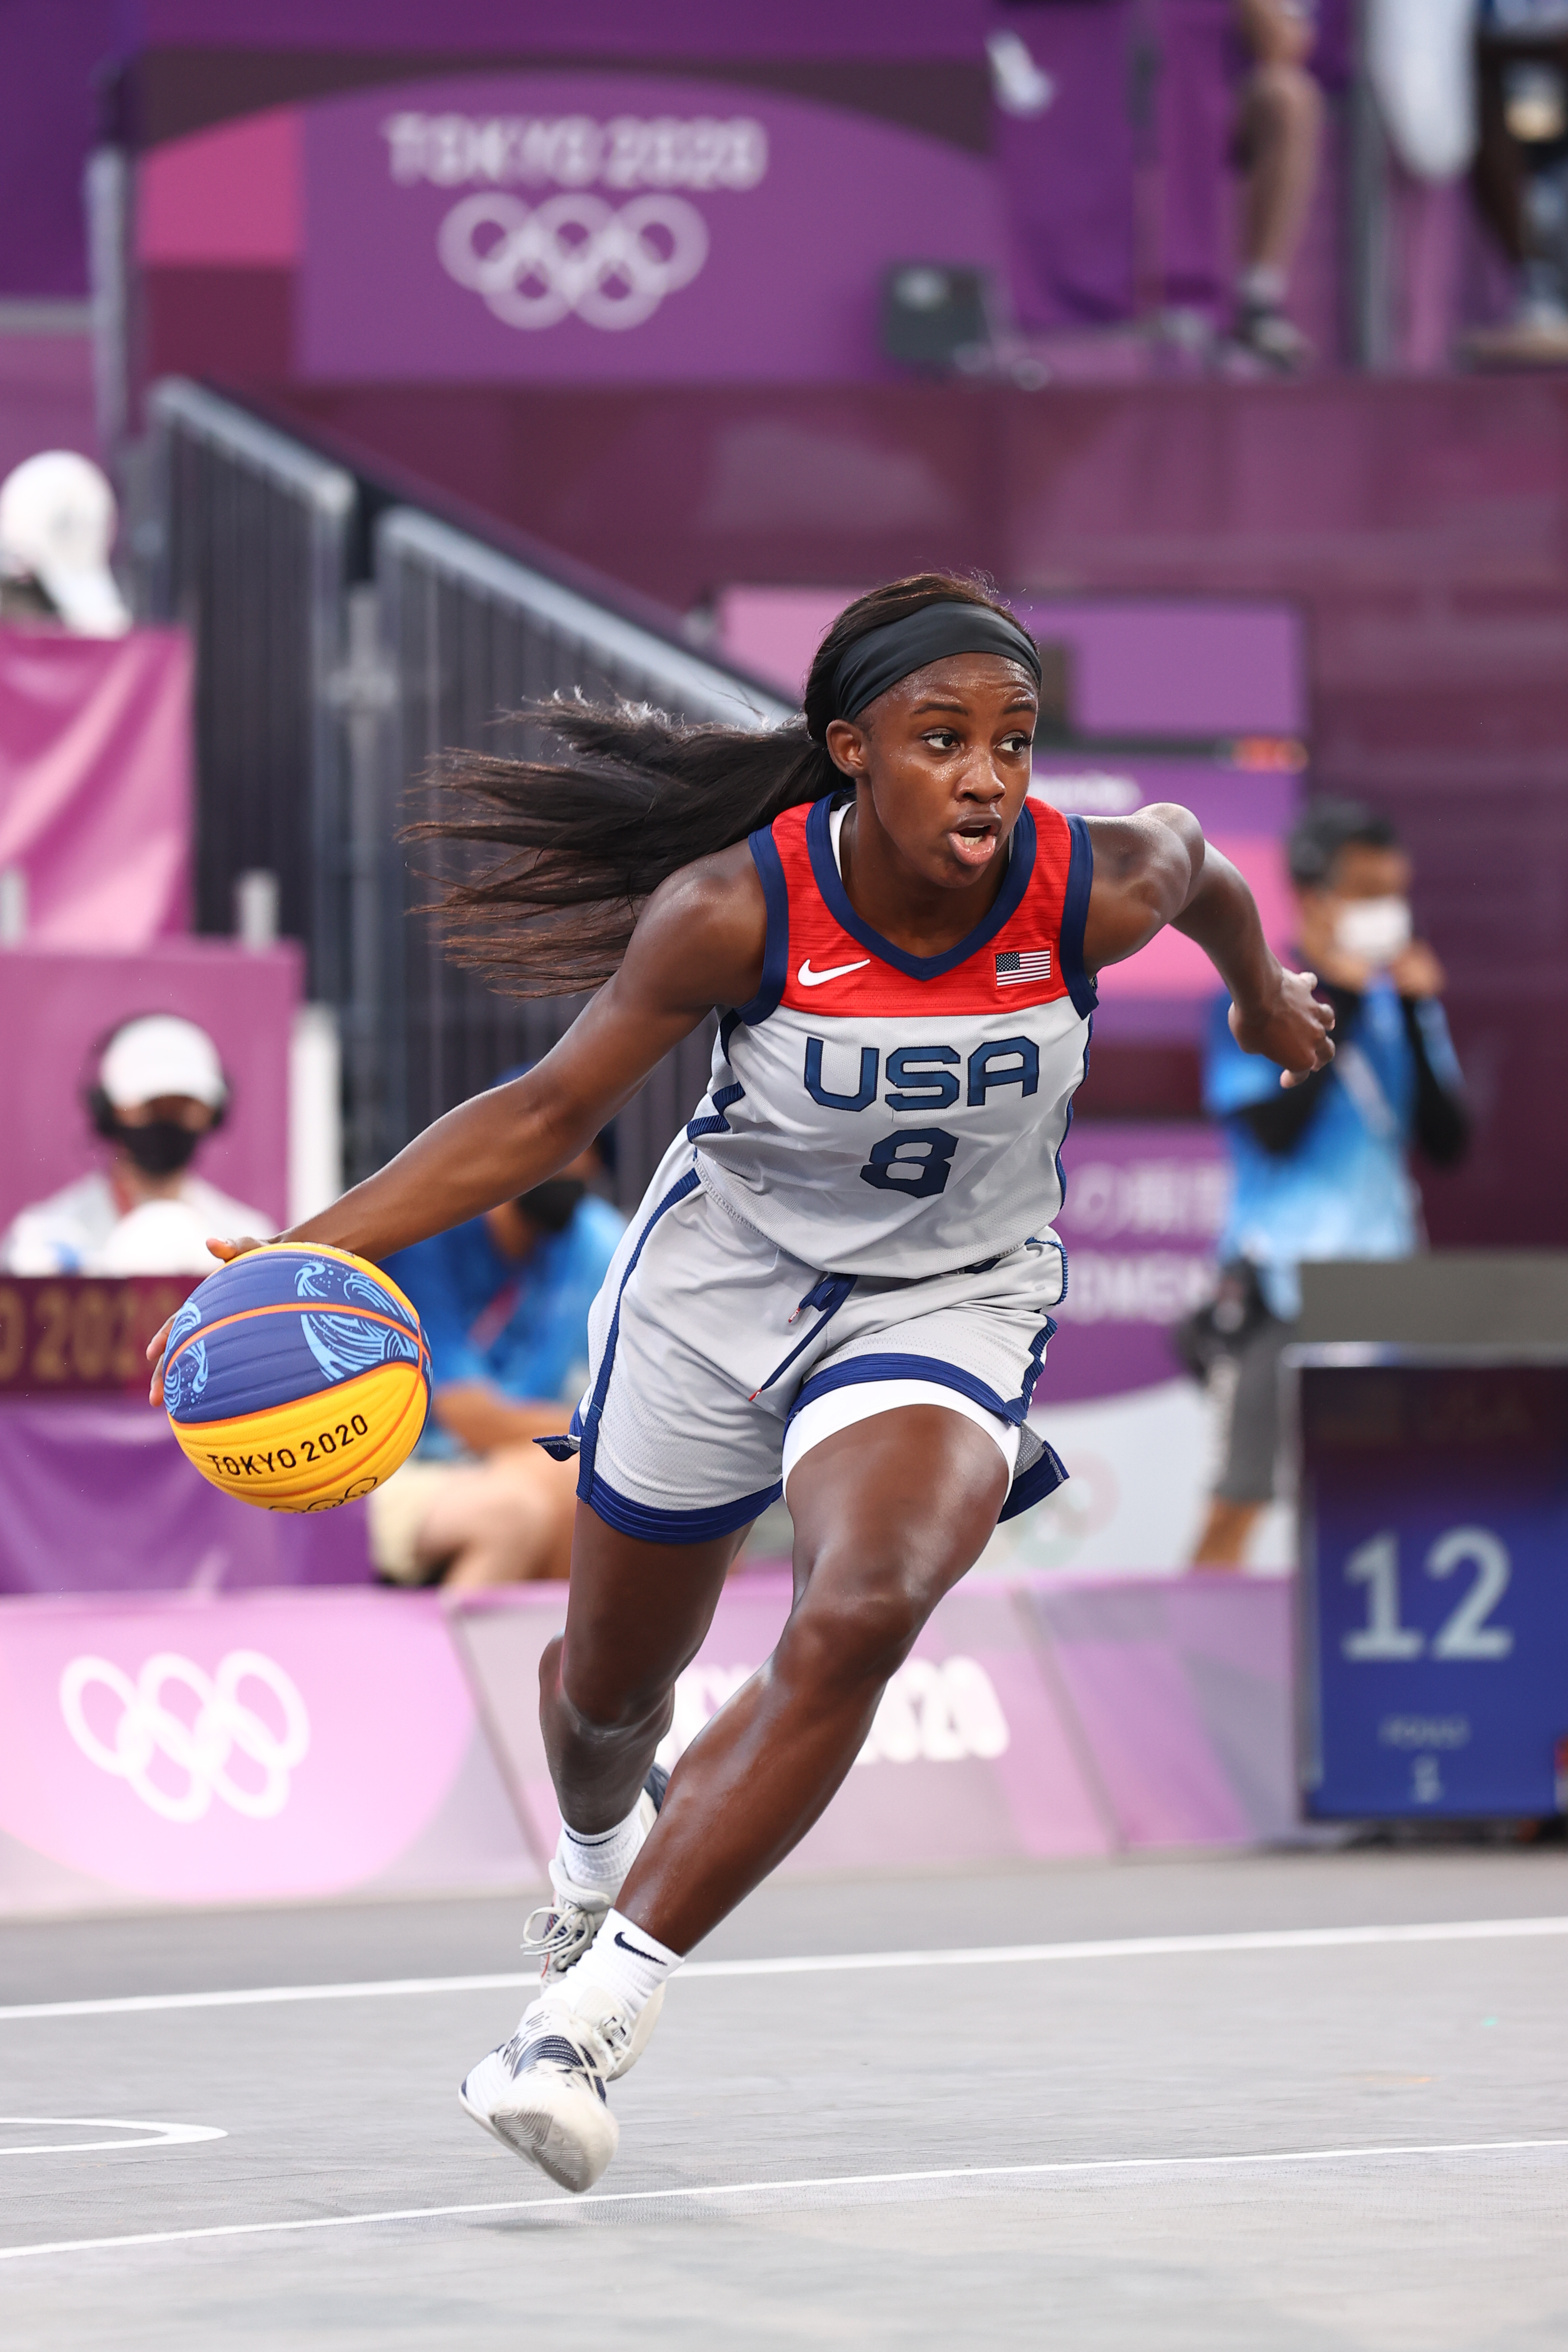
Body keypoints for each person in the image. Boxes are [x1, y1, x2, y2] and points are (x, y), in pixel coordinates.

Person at [149, 574, 1333, 2194]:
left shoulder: (1092, 883)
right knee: (603, 1698)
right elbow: (543, 1114)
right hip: (718, 1295)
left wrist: (1261, 996)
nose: (986, 774)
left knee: (865, 1603)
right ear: (850, 751)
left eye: (1011, 740)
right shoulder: (731, 907)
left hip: (948, 1296)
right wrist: (291, 1247)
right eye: (940, 739)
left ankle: (581, 2023)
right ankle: (590, 1851)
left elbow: (1198, 867)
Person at [1188, 799, 1469, 1568]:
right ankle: (1197, 1683)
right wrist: (1337, 998)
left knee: (1389, 1509)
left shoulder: (1404, 1004)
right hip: (1282, 1286)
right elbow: (1274, 1131)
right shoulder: (1250, 997)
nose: (1388, 911)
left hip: (1386, 1294)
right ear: (1314, 896)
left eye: (1395, 891)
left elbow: (1448, 1142)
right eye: (1367, 890)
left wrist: (1411, 1010)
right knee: (1238, 1500)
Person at [369, 1127, 624, 1590]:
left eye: (582, 1156)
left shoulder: (594, 1241)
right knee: (532, 1501)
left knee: (603, 1481)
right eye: (555, 1153)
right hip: (392, 1469)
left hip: (501, 1457)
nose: (571, 1169)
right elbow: (469, 1418)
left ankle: (560, 1658)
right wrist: (600, 1430)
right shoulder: (430, 1233)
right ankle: (446, 1664)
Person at [3, 1014, 273, 1275]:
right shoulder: (42, 1243)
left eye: (183, 1106)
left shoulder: (248, 1239)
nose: (166, 1121)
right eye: (151, 1106)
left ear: (213, 1114)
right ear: (109, 1111)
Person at [1229, 0, 1325, 369]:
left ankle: (1258, 298)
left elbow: (1283, 41)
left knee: (1289, 97)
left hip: (1214, 84)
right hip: (1122, 63)